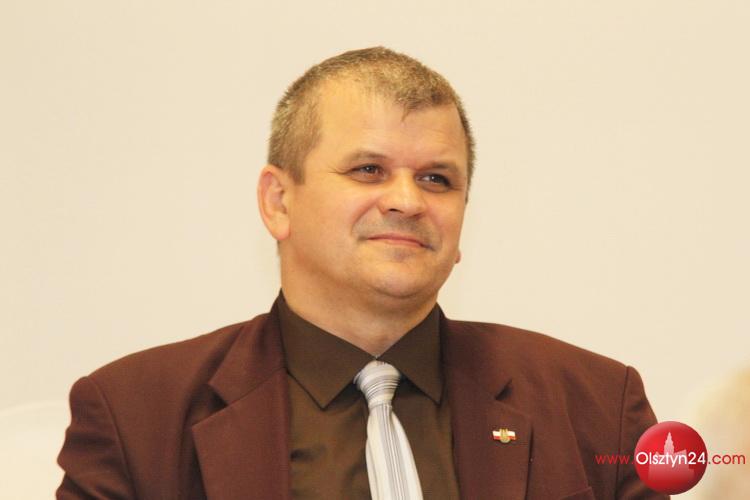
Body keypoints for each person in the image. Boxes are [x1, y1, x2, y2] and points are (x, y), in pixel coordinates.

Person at [57, 47, 665, 500]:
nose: (407, 201)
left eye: (437, 179)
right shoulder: (135, 417)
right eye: (368, 170)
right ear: (278, 202)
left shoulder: (595, 405)